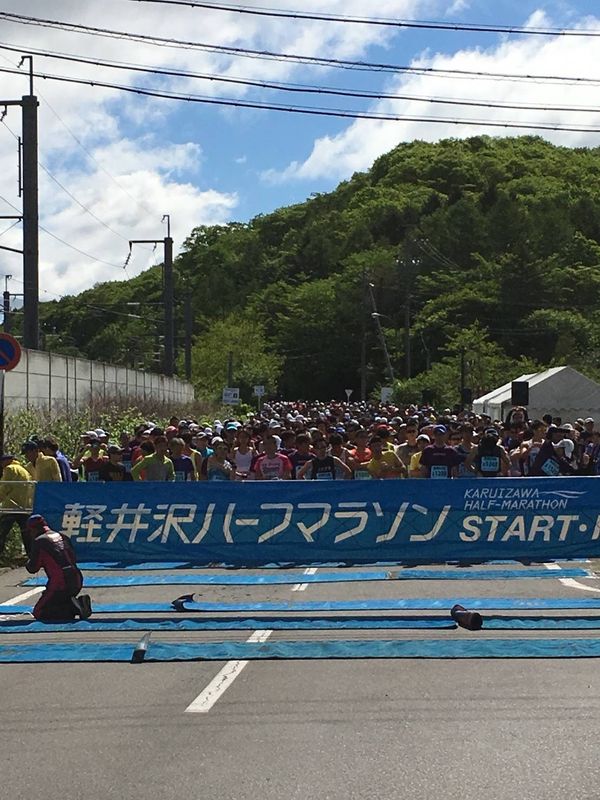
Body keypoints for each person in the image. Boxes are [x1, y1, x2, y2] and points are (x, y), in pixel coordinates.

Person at [25, 515, 92, 621]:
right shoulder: (63, 536)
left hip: (60, 583)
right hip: (77, 579)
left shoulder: (39, 542)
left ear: (33, 529)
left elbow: (32, 568)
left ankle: (74, 608)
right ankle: (74, 603)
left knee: (39, 612)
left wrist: (28, 560)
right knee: (56, 599)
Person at [0, 454, 34, 557]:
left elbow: (5, 487)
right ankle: (31, 555)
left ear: (8, 460)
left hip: (11, 505)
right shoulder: (24, 470)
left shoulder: (10, 468)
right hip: (24, 506)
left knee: (2, 531)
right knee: (26, 532)